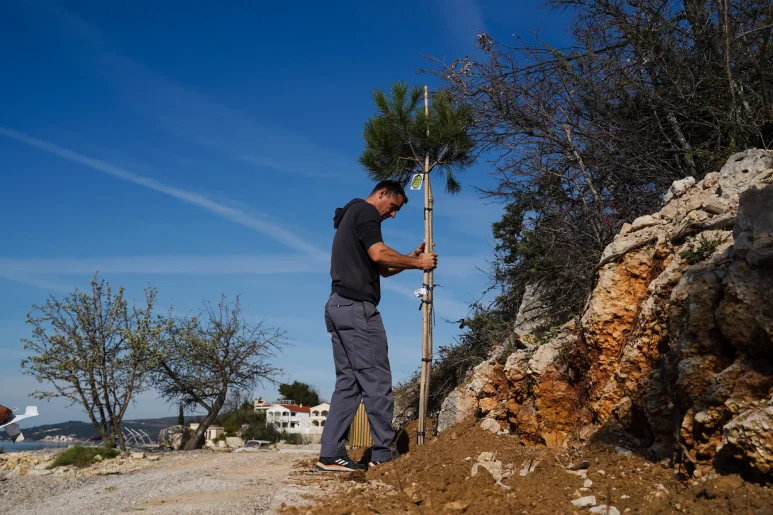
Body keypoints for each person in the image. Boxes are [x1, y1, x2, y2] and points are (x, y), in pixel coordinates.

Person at [315, 180, 438, 472]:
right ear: (382, 194)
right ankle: (383, 454)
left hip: (338, 306)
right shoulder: (366, 212)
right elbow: (379, 254)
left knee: (348, 385)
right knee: (377, 383)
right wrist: (421, 265)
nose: (392, 215)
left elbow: (383, 268)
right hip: (357, 310)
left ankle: (330, 455)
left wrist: (410, 258)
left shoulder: (351, 214)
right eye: (393, 207)